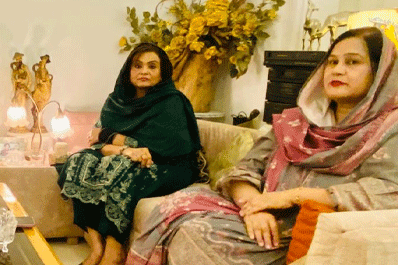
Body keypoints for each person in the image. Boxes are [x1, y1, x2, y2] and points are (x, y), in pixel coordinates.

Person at [127, 26, 398, 265]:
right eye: (333, 62)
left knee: (195, 232)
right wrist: (255, 206)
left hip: (302, 234)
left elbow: (389, 191)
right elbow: (245, 168)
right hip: (257, 217)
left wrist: (293, 196)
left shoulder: (387, 132)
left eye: (353, 62)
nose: (337, 69)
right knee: (178, 213)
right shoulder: (295, 122)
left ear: (380, 73)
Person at [58, 43, 206, 265]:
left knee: (121, 169)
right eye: (138, 66)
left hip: (171, 165)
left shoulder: (171, 101)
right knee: (78, 161)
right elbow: (97, 144)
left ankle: (114, 250)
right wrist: (124, 148)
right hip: (130, 157)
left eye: (152, 66)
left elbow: (157, 149)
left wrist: (110, 136)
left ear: (162, 72)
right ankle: (96, 247)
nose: (144, 71)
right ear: (128, 70)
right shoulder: (116, 101)